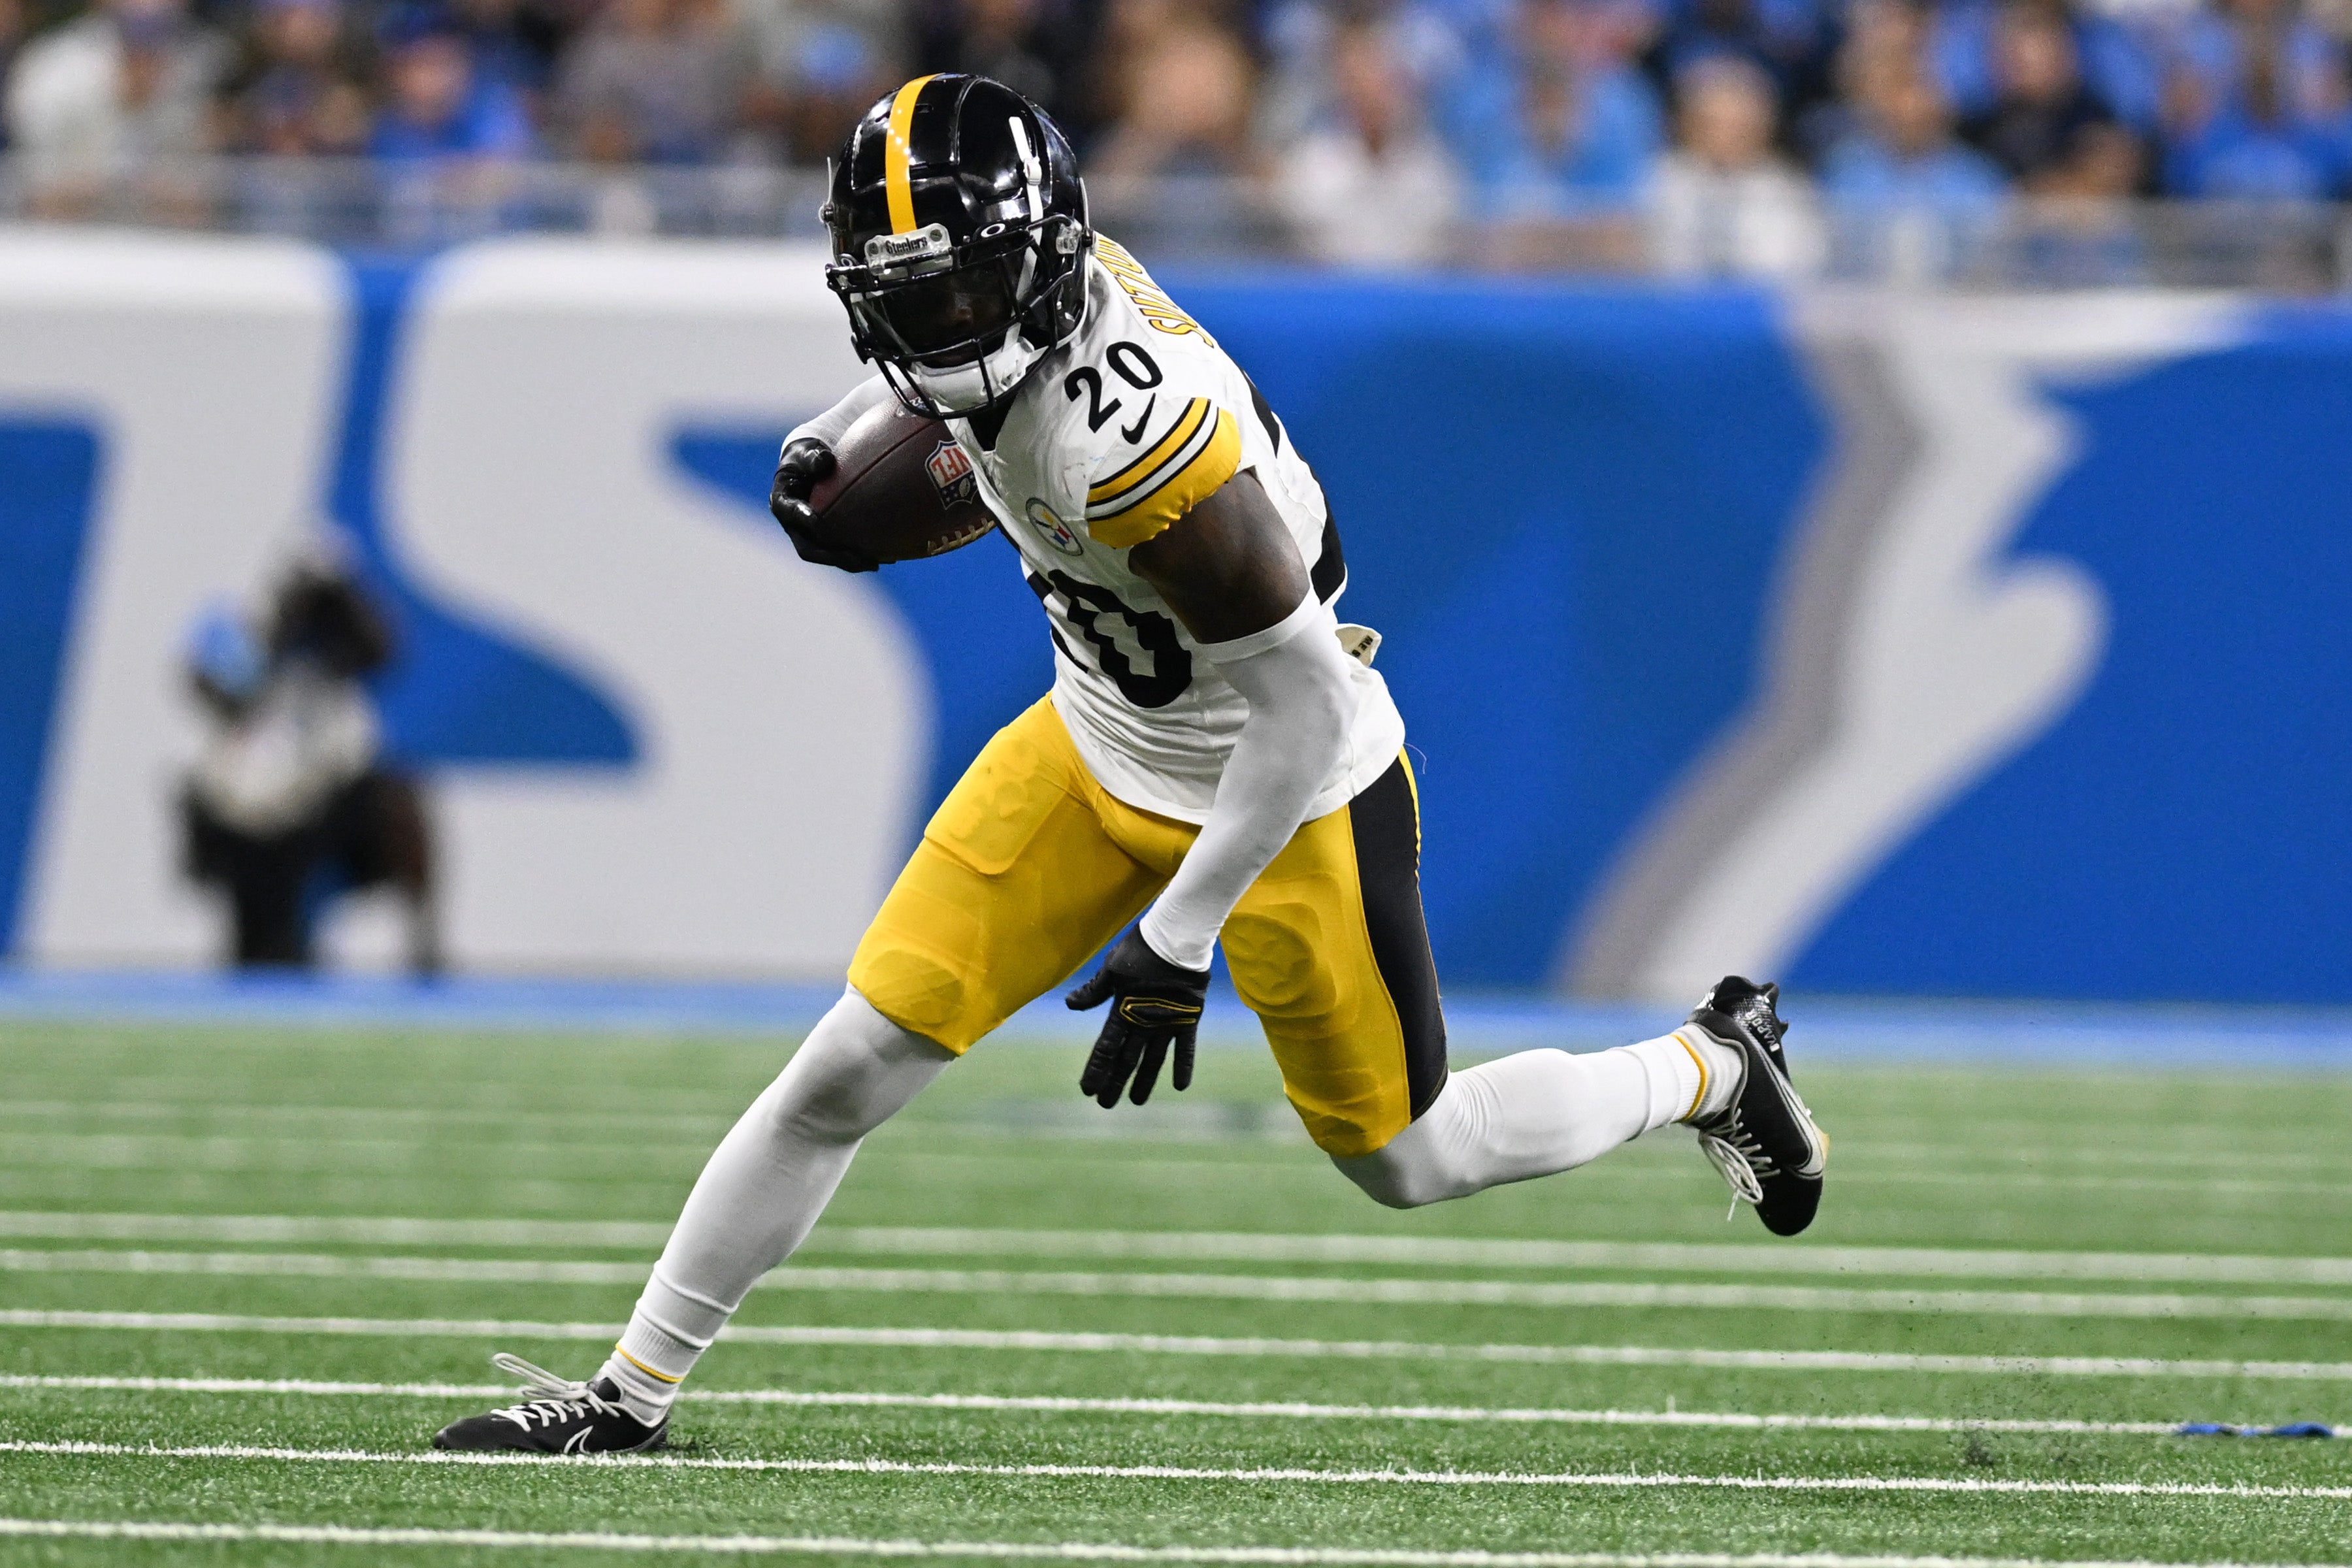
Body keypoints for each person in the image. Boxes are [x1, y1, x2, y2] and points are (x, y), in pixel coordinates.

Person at [428, 73, 1827, 1458]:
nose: (937, 327)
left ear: (1036, 270)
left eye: (962, 295)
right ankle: (628, 1396)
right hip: (1097, 739)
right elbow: (967, 388)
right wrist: (857, 445)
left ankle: (1710, 1067)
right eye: (907, 297)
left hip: (1284, 790)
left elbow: (1301, 711)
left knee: (1414, 1155)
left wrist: (1178, 937)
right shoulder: (1016, 299)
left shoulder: (1141, 443)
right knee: (843, 1070)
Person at [180, 553, 442, 975]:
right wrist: (273, 639)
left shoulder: (341, 644)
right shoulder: (249, 636)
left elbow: (385, 651)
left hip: (329, 795)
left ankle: (426, 953)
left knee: (403, 800)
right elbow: (209, 685)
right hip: (254, 810)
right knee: (262, 945)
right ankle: (264, 953)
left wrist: (341, 599)